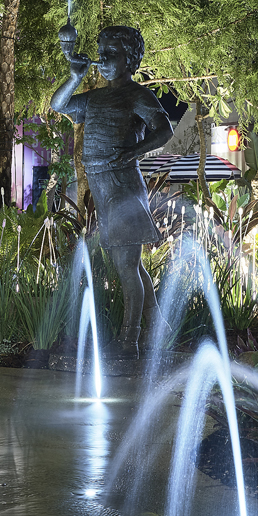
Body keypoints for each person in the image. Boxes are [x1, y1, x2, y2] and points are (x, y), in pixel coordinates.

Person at [51, 23, 172, 354]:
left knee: (126, 266)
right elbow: (59, 105)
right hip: (104, 188)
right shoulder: (95, 98)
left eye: (111, 55)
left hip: (122, 187)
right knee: (131, 263)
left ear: (130, 59)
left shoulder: (136, 95)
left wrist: (135, 150)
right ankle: (157, 325)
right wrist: (74, 77)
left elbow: (165, 130)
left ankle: (130, 340)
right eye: (100, 54)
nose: (102, 61)